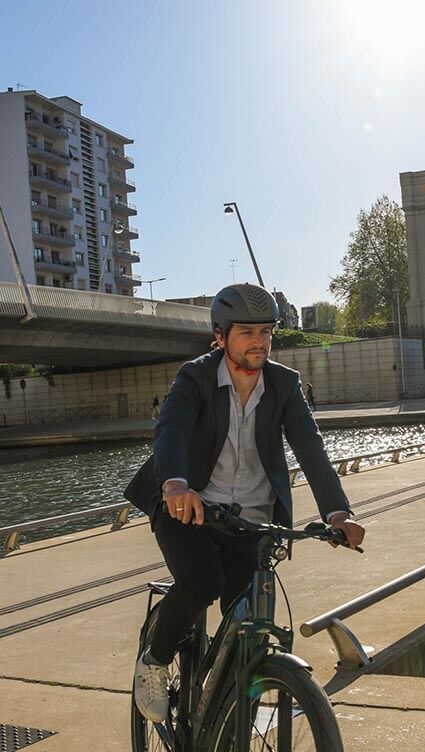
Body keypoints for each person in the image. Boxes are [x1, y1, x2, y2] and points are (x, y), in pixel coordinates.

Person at [124, 282, 365, 722]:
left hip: (250, 520)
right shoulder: (195, 377)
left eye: (266, 332)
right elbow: (172, 429)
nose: (260, 342)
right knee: (202, 583)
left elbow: (311, 450)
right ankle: (154, 663)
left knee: (251, 623)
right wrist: (175, 484)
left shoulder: (284, 385)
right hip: (190, 509)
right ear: (220, 337)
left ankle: (233, 725)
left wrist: (338, 512)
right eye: (247, 333)